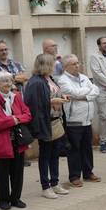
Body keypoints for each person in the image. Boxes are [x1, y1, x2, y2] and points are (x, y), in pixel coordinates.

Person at [0, 70, 32, 210]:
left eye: (9, 81)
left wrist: (15, 119)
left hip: (17, 140)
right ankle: (3, 200)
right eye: (4, 81)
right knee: (2, 173)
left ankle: (16, 198)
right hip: (1, 143)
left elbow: (27, 115)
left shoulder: (16, 97)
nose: (8, 84)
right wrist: (12, 120)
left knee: (18, 172)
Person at [24, 53, 71, 198]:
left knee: (55, 154)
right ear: (46, 65)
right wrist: (53, 102)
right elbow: (33, 105)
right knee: (45, 155)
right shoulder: (35, 82)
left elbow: (52, 94)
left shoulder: (49, 78)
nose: (55, 66)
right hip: (45, 123)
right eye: (52, 63)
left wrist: (61, 97)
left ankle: (55, 183)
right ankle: (46, 186)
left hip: (56, 121)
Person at [57, 54, 101, 186]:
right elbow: (72, 93)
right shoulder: (62, 80)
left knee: (87, 147)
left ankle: (88, 172)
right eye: (73, 64)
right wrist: (88, 92)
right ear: (65, 67)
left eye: (78, 63)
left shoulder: (84, 77)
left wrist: (84, 95)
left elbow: (96, 90)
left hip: (87, 119)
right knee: (74, 149)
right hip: (73, 120)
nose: (77, 66)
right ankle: (75, 176)